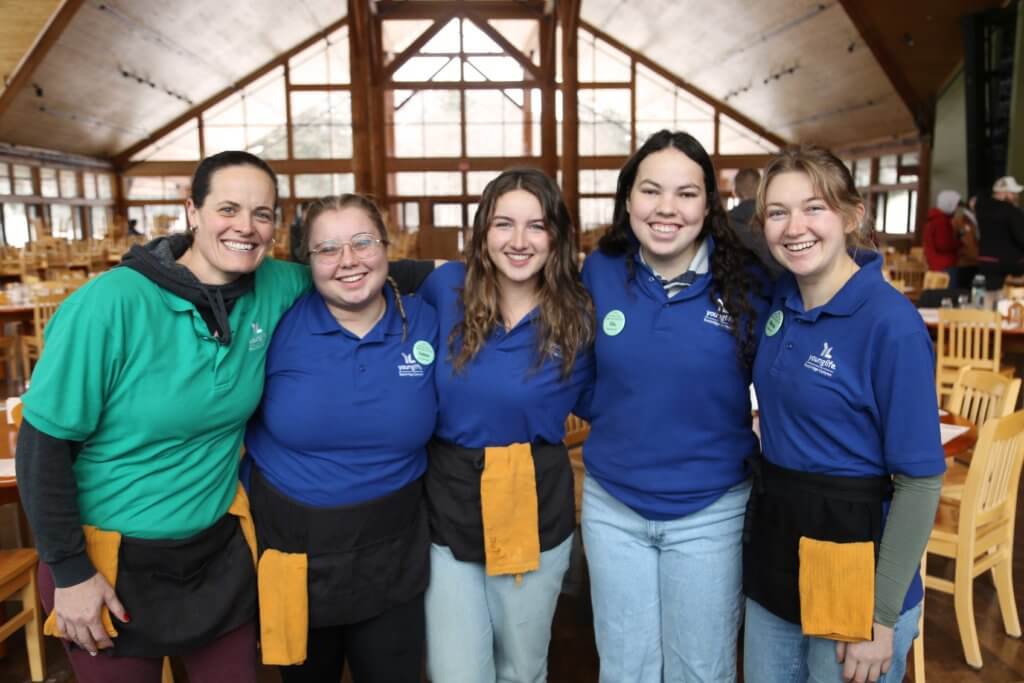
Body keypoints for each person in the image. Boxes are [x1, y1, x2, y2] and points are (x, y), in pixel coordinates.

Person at [15, 151, 433, 683]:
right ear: (192, 211)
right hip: (108, 560)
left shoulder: (275, 285)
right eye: (228, 209)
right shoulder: (110, 304)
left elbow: (355, 268)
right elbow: (41, 445)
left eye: (262, 214)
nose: (246, 227)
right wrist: (70, 571)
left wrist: (486, 268)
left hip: (217, 556)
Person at [743, 145, 944, 683]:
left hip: (857, 565)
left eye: (815, 207)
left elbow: (921, 482)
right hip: (778, 547)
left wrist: (880, 616)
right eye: (778, 212)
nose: (794, 227)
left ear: (852, 215)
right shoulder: (779, 303)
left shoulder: (891, 325)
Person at [577, 129, 767, 682]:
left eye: (686, 193)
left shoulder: (748, 282)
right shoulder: (602, 270)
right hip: (613, 507)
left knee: (701, 670)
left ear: (709, 204)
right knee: (624, 669)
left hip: (712, 509)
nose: (666, 208)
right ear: (628, 199)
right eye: (650, 190)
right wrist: (617, 412)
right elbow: (575, 370)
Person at [243, 194, 438, 682]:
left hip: (395, 550)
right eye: (327, 249)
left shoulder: (427, 320)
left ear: (387, 247)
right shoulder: (274, 323)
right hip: (291, 551)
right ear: (305, 261)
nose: (348, 260)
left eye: (363, 242)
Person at [418, 168, 594, 683]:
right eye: (503, 224)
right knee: (456, 672)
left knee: (521, 666)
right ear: (482, 232)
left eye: (536, 226)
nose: (519, 242)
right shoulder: (443, 286)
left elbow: (614, 398)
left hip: (531, 494)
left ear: (556, 236)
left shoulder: (578, 313)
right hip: (448, 493)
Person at [729, 167, 783, 278]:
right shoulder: (776, 216)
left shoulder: (725, 222)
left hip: (738, 285)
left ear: (736, 190)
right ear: (760, 186)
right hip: (779, 282)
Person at [977, 175, 1024, 290]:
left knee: (989, 297)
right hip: (1009, 263)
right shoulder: (1012, 211)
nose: (1016, 196)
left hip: (986, 261)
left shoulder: (981, 209)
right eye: (1013, 193)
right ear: (1002, 193)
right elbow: (1021, 237)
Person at [923, 190, 961, 273]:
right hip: (944, 265)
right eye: (956, 206)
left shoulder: (933, 219)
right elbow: (944, 245)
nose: (957, 209)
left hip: (935, 263)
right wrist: (959, 242)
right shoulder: (941, 221)